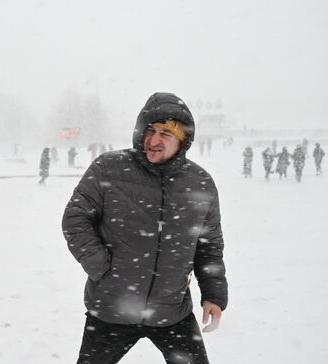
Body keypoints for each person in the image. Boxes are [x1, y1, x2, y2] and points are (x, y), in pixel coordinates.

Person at [62, 92, 227, 364]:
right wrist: (103, 269)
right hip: (111, 310)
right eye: (149, 130)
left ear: (183, 140)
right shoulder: (108, 168)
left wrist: (213, 294)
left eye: (165, 133)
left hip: (172, 312)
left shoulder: (200, 183)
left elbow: (209, 246)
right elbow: (75, 220)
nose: (153, 140)